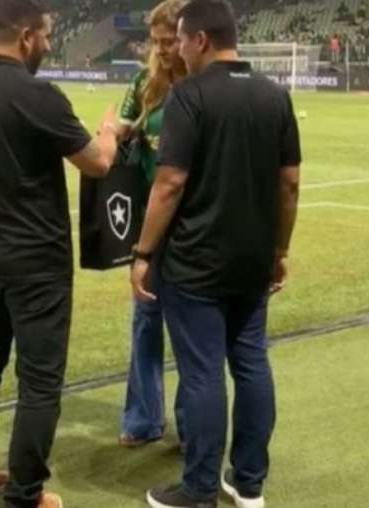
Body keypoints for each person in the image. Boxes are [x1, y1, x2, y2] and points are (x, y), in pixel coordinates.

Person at [0, 1, 117, 506]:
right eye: (48, 36)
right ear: (27, 35)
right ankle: (25, 494)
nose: (50, 44)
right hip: (37, 260)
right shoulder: (38, 95)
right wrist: (110, 132)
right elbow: (97, 164)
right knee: (39, 380)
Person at [129, 1, 302, 507]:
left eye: (181, 40)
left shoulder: (189, 96)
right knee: (251, 364)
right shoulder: (276, 96)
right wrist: (280, 249)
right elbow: (288, 183)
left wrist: (142, 253)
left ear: (201, 39)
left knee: (202, 373)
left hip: (194, 262)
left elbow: (169, 183)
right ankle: (248, 484)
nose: (177, 49)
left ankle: (200, 488)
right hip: (253, 260)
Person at [116, 0, 188, 450]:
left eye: (169, 42)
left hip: (193, 225)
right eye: (156, 42)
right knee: (146, 320)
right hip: (150, 224)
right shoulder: (144, 83)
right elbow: (122, 131)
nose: (161, 50)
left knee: (190, 329)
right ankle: (143, 419)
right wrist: (114, 134)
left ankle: (192, 422)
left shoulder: (203, 84)